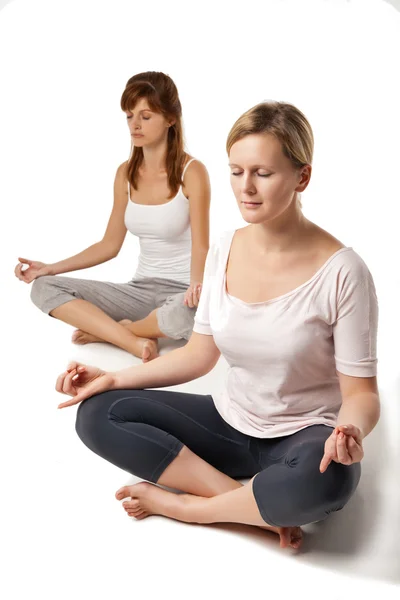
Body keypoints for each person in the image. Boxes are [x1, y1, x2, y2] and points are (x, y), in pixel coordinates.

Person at [54, 101, 380, 550]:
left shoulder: (344, 272)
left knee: (330, 484)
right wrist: (113, 378)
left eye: (262, 173)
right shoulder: (224, 248)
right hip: (230, 421)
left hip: (305, 435)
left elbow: (361, 394)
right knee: (97, 413)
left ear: (302, 177)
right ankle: (249, 507)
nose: (245, 187)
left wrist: (351, 431)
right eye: (236, 171)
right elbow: (199, 354)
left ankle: (190, 508)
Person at [14, 72, 210, 362]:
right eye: (129, 116)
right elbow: (109, 244)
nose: (135, 124)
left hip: (182, 292)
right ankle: (135, 342)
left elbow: (202, 245)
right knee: (43, 289)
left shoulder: (191, 172)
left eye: (145, 116)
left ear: (170, 119)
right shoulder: (125, 174)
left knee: (187, 316)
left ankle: (109, 331)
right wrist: (50, 268)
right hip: (139, 292)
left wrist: (196, 289)